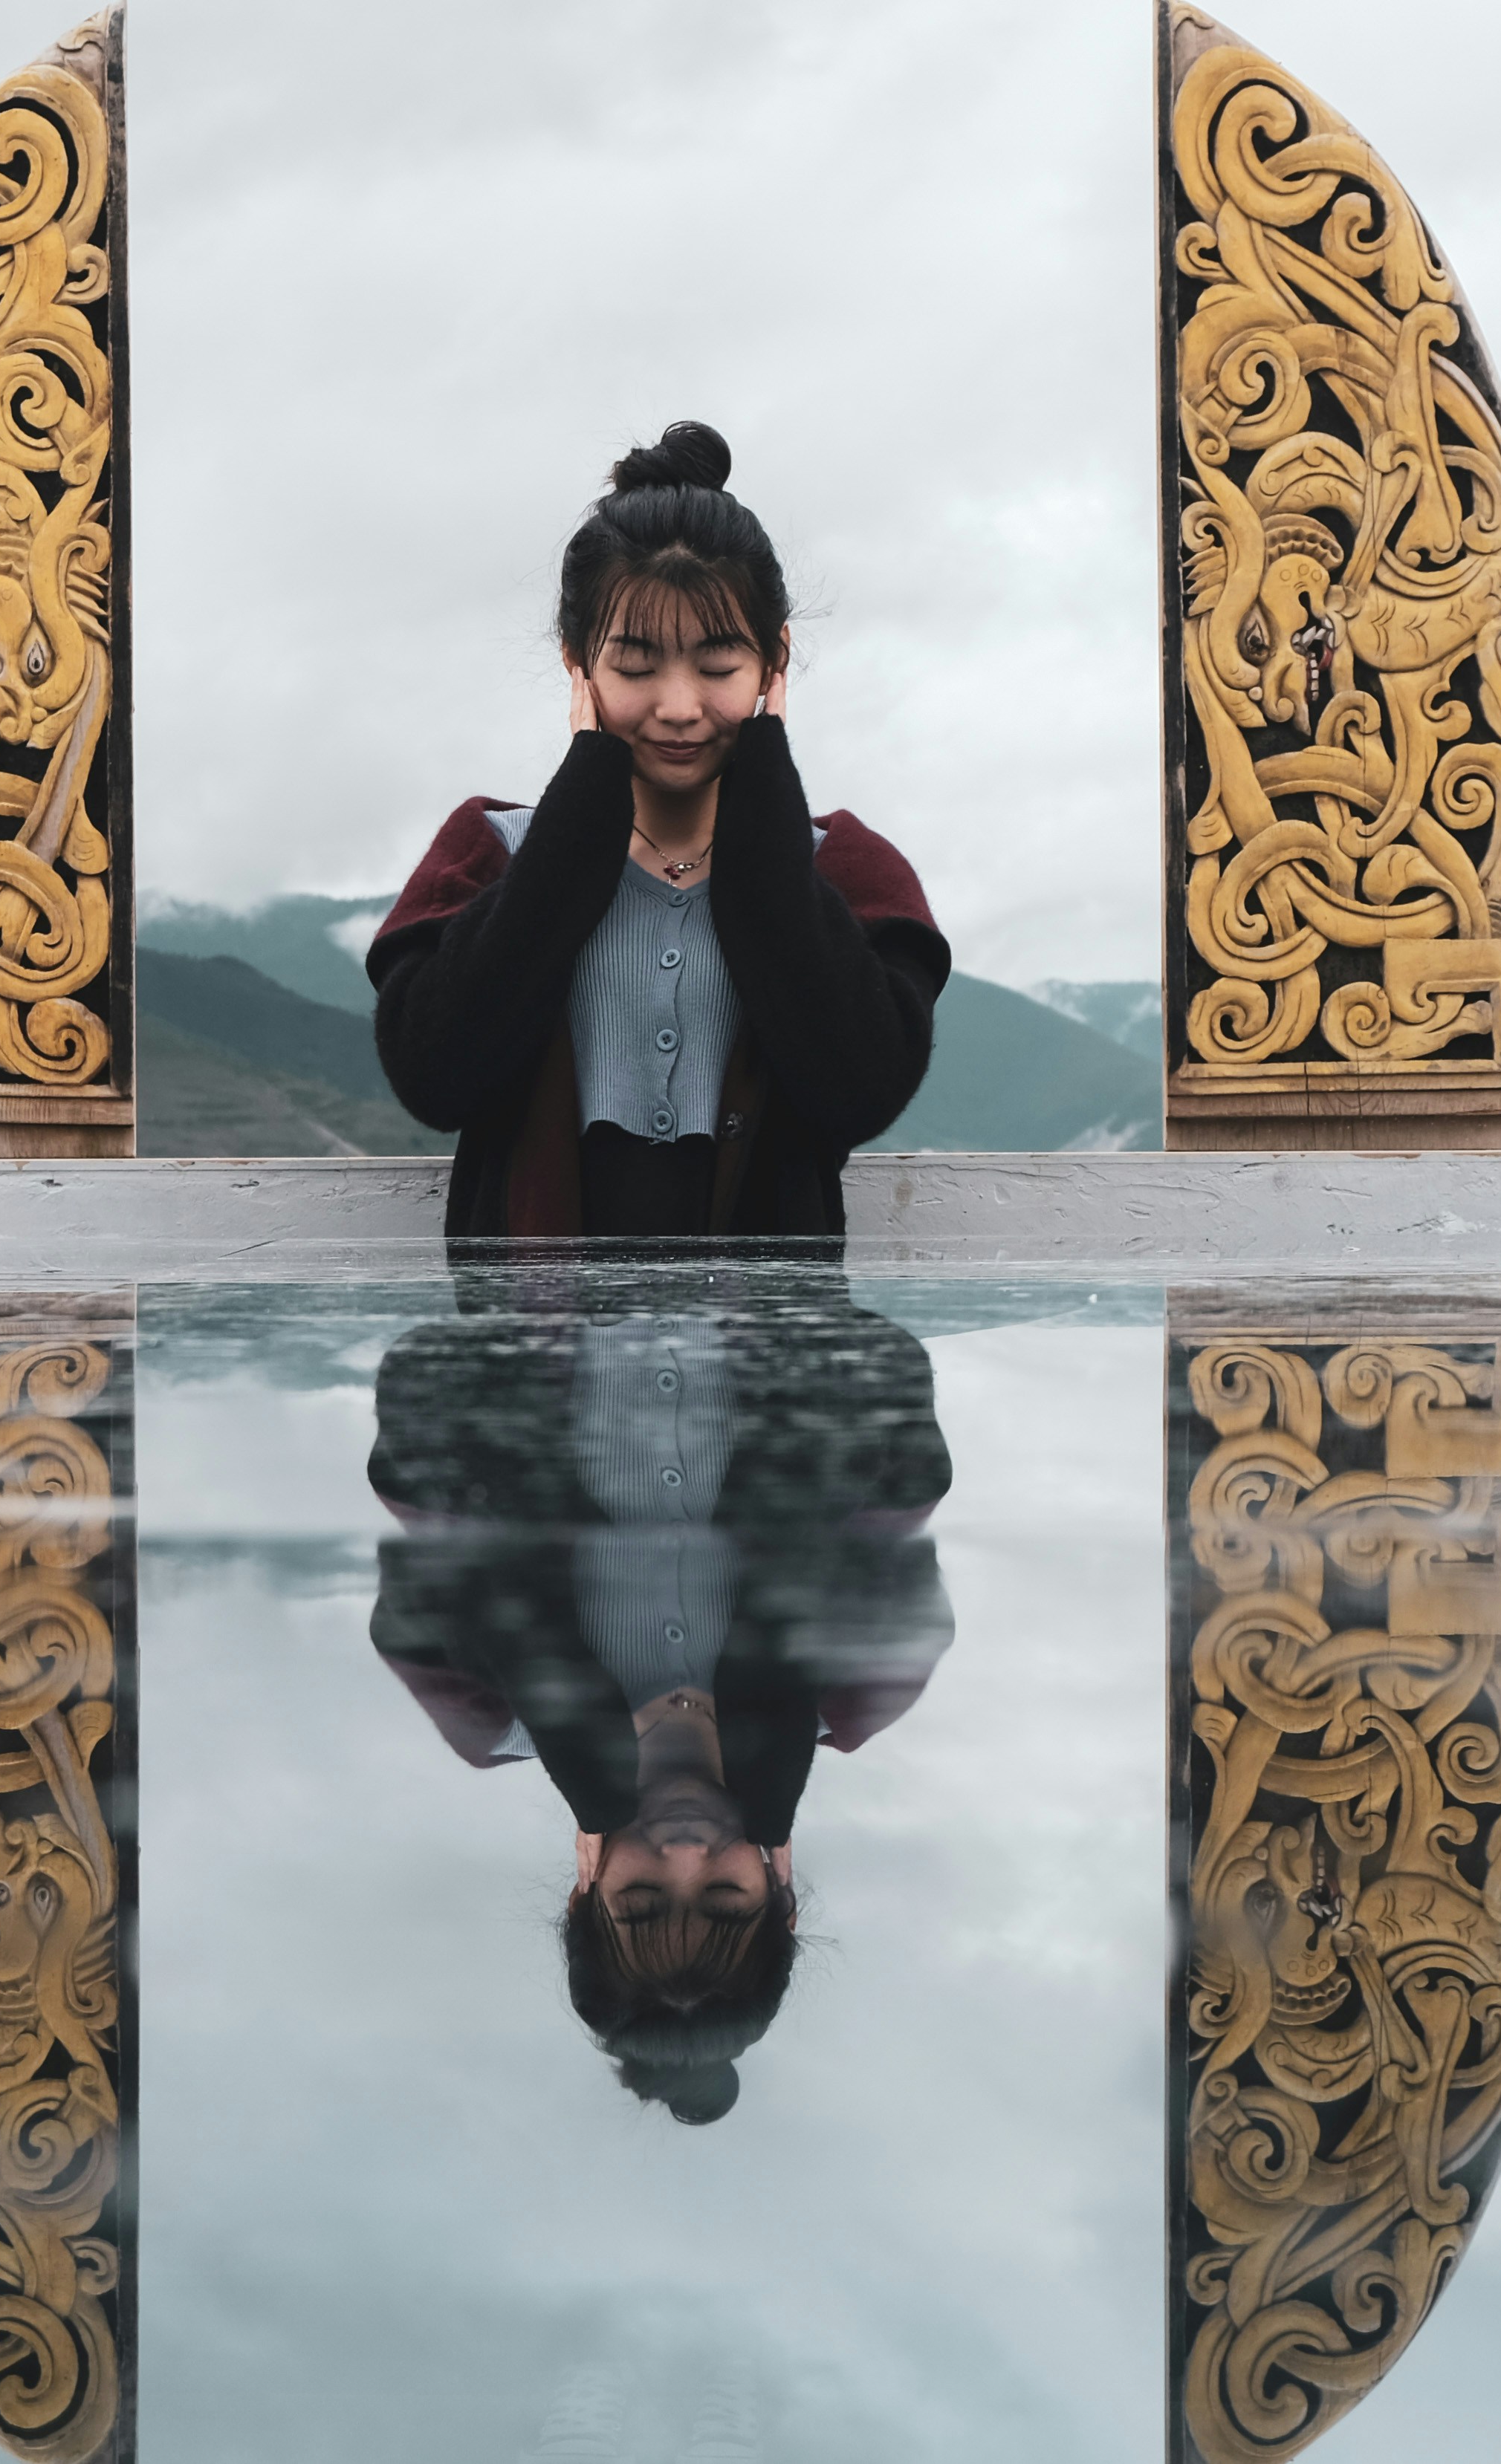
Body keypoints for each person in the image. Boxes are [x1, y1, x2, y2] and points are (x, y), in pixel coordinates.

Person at [366, 1271, 955, 2122]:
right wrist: (773, 1686)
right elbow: (883, 1364)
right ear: (778, 1888)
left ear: (584, 1888)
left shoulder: (478, 1705)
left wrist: (564, 1704)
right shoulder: (866, 1684)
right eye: (725, 1894)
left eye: (641, 1897)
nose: (686, 1851)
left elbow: (425, 1372)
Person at [369, 423, 948, 1239]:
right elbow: (436, 1077)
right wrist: (577, 817)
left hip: (772, 1363)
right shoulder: (489, 852)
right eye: (635, 666)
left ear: (773, 662)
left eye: (718, 667)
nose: (678, 706)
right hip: (530, 1359)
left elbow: (855, 1091)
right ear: (577, 660)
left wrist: (764, 815)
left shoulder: (848, 869)